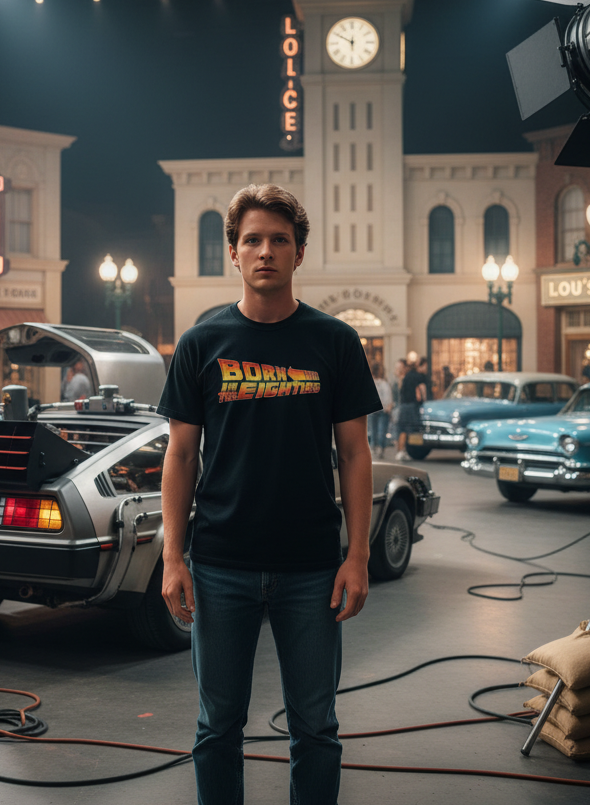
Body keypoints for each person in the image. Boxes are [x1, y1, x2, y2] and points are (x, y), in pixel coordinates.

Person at [157, 183, 381, 805]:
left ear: (298, 253)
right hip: (220, 563)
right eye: (251, 239)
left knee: (316, 729)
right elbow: (179, 454)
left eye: (279, 240)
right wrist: (174, 557)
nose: (265, 252)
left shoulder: (334, 341)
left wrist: (357, 555)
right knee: (217, 728)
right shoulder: (202, 343)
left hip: (313, 568)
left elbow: (354, 452)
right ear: (233, 252)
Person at [395, 356, 426, 461]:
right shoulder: (418, 376)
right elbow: (422, 389)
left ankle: (401, 451)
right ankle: (403, 451)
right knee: (408, 429)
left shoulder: (406, 376)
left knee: (402, 429)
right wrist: (424, 401)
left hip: (403, 405)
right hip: (412, 405)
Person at [368, 361, 392, 459]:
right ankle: (381, 448)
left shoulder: (370, 382)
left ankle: (373, 447)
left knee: (372, 430)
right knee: (382, 429)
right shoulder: (384, 383)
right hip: (383, 408)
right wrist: (388, 406)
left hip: (373, 408)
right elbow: (388, 397)